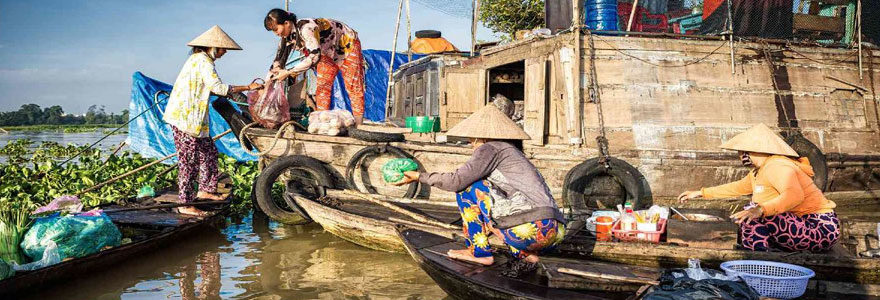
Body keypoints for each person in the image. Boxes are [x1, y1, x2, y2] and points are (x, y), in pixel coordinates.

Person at [394, 105, 566, 276]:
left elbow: (456, 181)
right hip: (555, 233)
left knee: (467, 188)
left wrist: (418, 176)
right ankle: (526, 255)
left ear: (479, 137)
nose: (471, 143)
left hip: (531, 230)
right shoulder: (512, 152)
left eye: (471, 139)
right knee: (491, 200)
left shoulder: (490, 148)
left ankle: (479, 253)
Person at [678, 124, 839, 252]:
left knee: (752, 210)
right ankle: (758, 253)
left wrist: (760, 210)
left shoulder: (778, 165)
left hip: (819, 228)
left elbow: (794, 196)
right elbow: (737, 187)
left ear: (757, 150)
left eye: (744, 152)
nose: (741, 156)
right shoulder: (758, 172)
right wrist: (700, 193)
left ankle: (757, 256)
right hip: (799, 225)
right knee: (748, 213)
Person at [163, 25, 263, 216]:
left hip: (194, 118)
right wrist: (248, 87)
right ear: (212, 47)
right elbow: (217, 87)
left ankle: (205, 190)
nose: (224, 52)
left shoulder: (199, 60)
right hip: (184, 118)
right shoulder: (203, 62)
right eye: (223, 48)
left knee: (209, 152)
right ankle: (185, 203)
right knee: (188, 161)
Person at [263, 8, 365, 125]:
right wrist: (268, 81)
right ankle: (322, 124)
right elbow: (277, 61)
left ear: (287, 23)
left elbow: (314, 56)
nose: (276, 33)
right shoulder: (286, 38)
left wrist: (288, 72)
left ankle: (359, 126)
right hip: (326, 52)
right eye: (273, 31)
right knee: (322, 87)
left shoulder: (306, 28)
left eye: (276, 29)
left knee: (353, 86)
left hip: (346, 46)